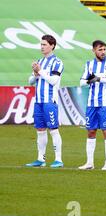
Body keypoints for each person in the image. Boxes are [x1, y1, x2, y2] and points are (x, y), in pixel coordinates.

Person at [78, 40, 106, 171]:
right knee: (91, 131)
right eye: (100, 50)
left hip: (105, 103)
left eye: (104, 49)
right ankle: (89, 162)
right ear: (94, 51)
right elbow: (82, 82)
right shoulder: (89, 65)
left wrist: (99, 78)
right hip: (91, 103)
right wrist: (90, 79)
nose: (103, 52)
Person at [26, 35, 64, 168]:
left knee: (53, 129)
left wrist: (40, 71)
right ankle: (40, 159)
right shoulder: (39, 61)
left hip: (50, 101)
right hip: (38, 101)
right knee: (40, 130)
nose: (42, 47)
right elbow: (30, 81)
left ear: (52, 46)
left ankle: (58, 159)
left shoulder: (57, 62)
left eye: (44, 44)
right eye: (41, 44)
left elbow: (53, 81)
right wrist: (35, 75)